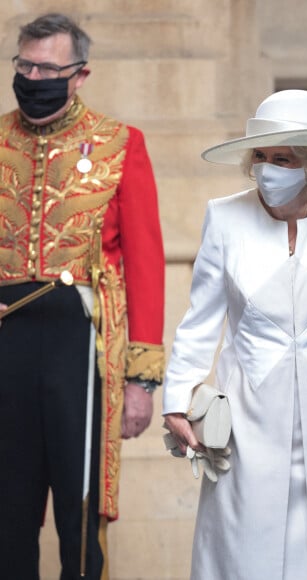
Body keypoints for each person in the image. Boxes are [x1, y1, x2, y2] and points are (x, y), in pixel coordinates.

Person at [163, 89, 307, 580]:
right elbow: (200, 319)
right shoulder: (225, 216)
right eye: (260, 156)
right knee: (246, 543)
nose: (267, 168)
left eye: (281, 158)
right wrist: (176, 401)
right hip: (247, 414)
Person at [0, 13, 165, 580]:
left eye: (47, 67)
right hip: (6, 347)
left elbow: (145, 264)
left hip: (82, 349)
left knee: (81, 505)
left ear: (79, 75)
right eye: (24, 64)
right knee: (7, 511)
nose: (32, 75)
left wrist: (142, 380)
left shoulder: (121, 144)